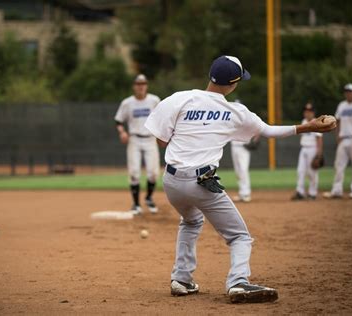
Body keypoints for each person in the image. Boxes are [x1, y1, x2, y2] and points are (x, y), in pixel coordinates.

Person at [144, 55, 336, 303]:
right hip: (201, 181)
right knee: (239, 236)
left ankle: (181, 279)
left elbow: (160, 140)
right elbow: (268, 131)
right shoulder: (235, 111)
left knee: (191, 222)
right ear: (233, 83)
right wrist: (309, 126)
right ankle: (238, 282)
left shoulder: (179, 98)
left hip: (171, 182)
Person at [114, 74, 161, 215]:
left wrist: (161, 133)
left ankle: (148, 198)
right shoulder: (127, 103)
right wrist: (122, 132)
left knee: (153, 173)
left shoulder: (154, 100)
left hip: (150, 139)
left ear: (146, 86)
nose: (141, 86)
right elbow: (118, 120)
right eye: (138, 84)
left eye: (143, 84)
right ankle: (136, 204)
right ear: (134, 86)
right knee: (134, 172)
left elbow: (163, 117)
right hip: (134, 139)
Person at [292, 103, 323, 200]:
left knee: (312, 172)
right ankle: (300, 192)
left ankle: (312, 193)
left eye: (309, 112)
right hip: (304, 148)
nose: (307, 113)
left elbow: (319, 139)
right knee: (300, 171)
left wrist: (319, 154)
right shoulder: (303, 121)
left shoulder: (316, 122)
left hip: (313, 149)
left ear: (313, 113)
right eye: (306, 111)